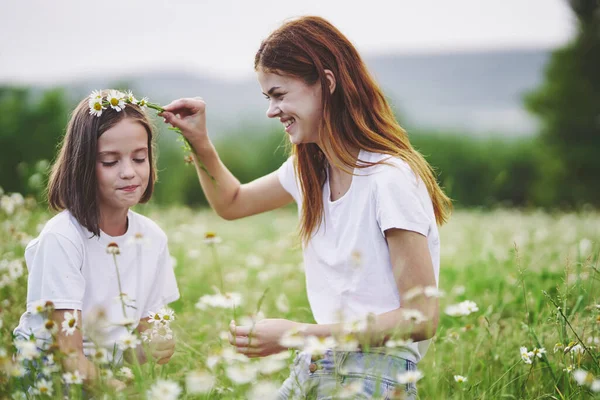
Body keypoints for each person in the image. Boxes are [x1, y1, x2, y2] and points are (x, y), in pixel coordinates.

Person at [161, 16, 452, 399]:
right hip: (317, 366)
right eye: (268, 98)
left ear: (326, 84)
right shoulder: (310, 172)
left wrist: (295, 334)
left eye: (279, 94)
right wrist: (198, 140)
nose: (272, 110)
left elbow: (421, 318)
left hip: (376, 376)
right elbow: (231, 203)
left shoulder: (389, 179)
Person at [13, 90, 180, 391]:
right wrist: (117, 390)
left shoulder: (152, 238)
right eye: (110, 161)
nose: (129, 172)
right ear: (83, 165)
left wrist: (158, 341)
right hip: (49, 379)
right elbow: (68, 353)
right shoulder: (63, 238)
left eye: (139, 158)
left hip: (104, 374)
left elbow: (146, 330)